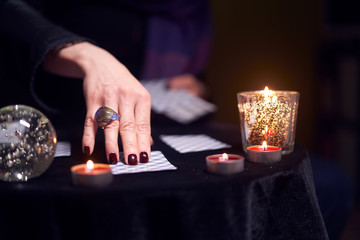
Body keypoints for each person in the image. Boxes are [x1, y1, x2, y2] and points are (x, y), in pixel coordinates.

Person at [0, 0, 212, 165]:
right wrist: (84, 54)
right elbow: (11, 14)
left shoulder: (192, 8)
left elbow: (200, 79)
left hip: (164, 133)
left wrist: (199, 89)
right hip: (60, 128)